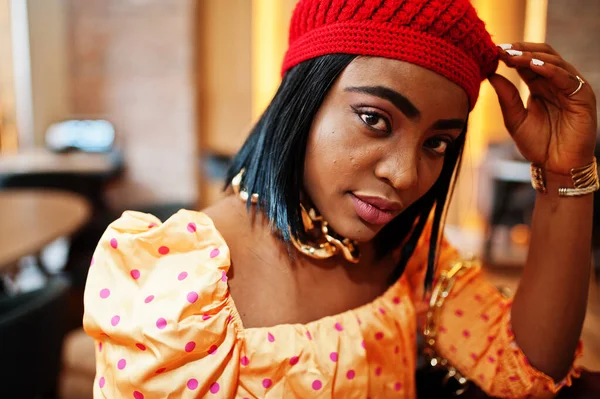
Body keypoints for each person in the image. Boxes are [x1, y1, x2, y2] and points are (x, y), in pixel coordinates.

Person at [82, 0, 598, 397]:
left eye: (437, 144)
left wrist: (564, 176)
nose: (405, 175)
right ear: (302, 99)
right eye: (374, 119)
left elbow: (527, 371)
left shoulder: (408, 257)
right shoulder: (182, 286)